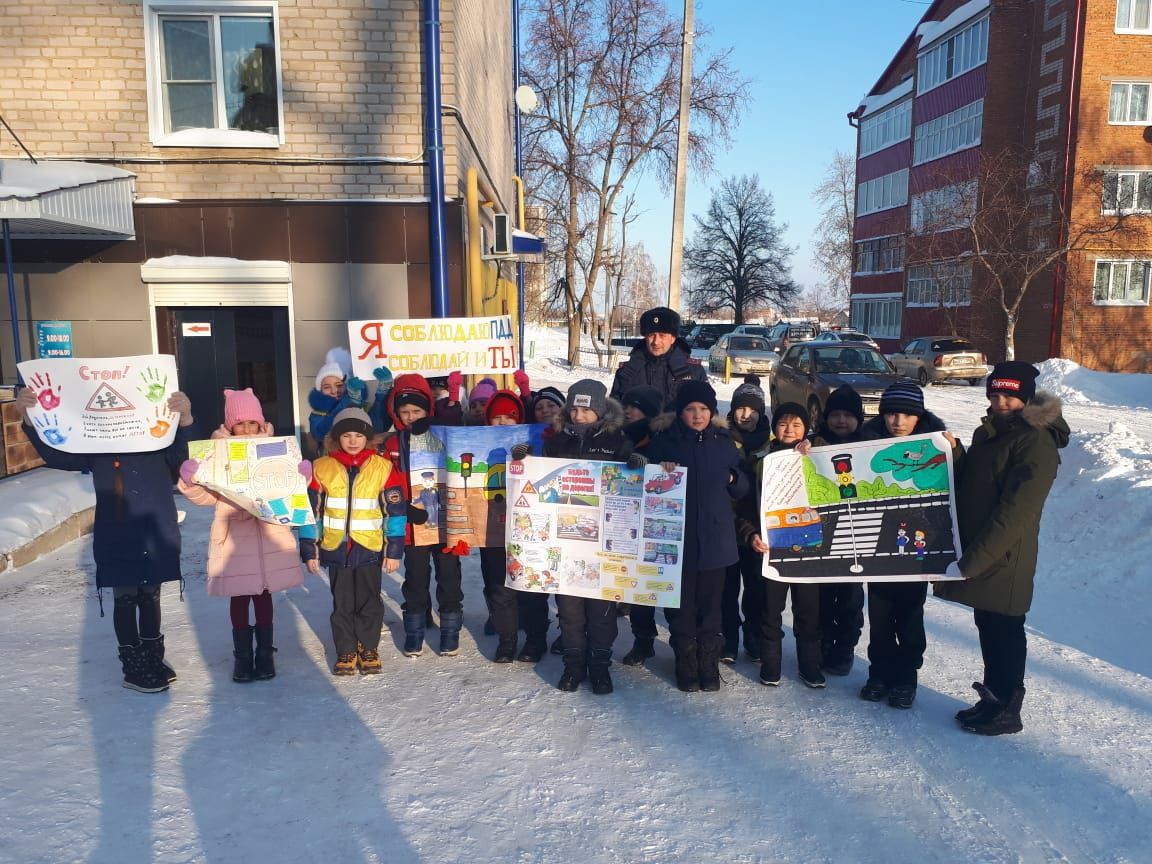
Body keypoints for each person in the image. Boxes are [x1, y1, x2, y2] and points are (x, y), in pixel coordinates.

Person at [16, 384, 197, 693]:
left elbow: (184, 459)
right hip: (118, 531)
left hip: (156, 527)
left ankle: (152, 656)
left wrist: (185, 418)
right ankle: (133, 666)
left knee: (150, 594)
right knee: (126, 596)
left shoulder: (157, 436)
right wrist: (31, 419)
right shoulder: (96, 444)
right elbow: (58, 454)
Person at [935, 362, 1069, 735]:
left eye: (1009, 395)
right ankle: (993, 699)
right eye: (995, 395)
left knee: (1006, 629)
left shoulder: (1035, 441)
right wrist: (957, 452)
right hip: (985, 551)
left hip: (1004, 556)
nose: (1001, 402)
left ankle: (1008, 708)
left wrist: (974, 561)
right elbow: (975, 483)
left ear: (1026, 397)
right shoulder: (992, 433)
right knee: (989, 625)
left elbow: (1016, 513)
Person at [514, 379, 640, 694]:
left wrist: (639, 468)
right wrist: (525, 462)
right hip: (567, 543)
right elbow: (541, 484)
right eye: (575, 409)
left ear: (599, 410)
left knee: (602, 613)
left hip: (605, 544)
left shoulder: (617, 441)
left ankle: (600, 666)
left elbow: (634, 486)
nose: (579, 415)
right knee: (569, 611)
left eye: (586, 410)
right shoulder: (556, 442)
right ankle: (573, 666)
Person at [178, 388, 308, 682]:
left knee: (263, 596)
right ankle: (242, 657)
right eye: (240, 424)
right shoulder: (215, 451)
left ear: (262, 424)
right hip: (234, 537)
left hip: (269, 534)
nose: (247, 430)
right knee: (239, 598)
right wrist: (190, 481)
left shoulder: (278, 449)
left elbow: (290, 490)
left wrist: (301, 476)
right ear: (229, 425)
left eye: (253, 423)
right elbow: (205, 496)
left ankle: (264, 654)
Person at [858, 381, 959, 709]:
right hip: (879, 546)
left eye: (906, 415)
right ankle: (879, 673)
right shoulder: (867, 441)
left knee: (910, 617)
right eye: (891, 414)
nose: (897, 421)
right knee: (881, 616)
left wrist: (954, 451)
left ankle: (906, 677)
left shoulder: (936, 444)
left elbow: (962, 479)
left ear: (919, 417)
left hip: (918, 549)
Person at [644, 380, 749, 693]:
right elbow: (645, 480)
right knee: (681, 609)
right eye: (690, 409)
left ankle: (708, 663)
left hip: (716, 541)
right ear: (680, 412)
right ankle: (686, 663)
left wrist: (734, 477)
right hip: (676, 541)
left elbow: (742, 487)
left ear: (713, 412)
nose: (697, 414)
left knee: (712, 608)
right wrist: (658, 468)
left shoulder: (725, 443)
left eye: (703, 409)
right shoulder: (665, 443)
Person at [302, 407, 408, 675]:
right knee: (342, 604)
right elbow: (308, 513)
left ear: (368, 439)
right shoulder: (321, 467)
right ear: (336, 438)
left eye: (358, 435)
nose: (352, 440)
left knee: (370, 602)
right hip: (336, 549)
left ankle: (369, 647)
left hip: (369, 548)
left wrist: (394, 550)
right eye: (346, 435)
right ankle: (346, 649)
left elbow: (395, 513)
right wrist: (309, 550)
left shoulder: (383, 468)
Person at [381, 373, 467, 657]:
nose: (409, 417)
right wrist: (403, 507)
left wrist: (454, 399)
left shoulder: (441, 435)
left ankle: (450, 628)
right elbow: (387, 479)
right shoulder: (392, 444)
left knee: (449, 576)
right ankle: (415, 629)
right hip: (412, 522)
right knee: (416, 578)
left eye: (416, 411)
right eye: (404, 412)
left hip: (444, 521)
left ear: (427, 410)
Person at [740, 402, 825, 689]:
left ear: (806, 429)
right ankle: (770, 663)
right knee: (769, 609)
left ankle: (810, 665)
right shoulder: (760, 458)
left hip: (808, 549)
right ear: (775, 427)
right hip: (770, 549)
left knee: (809, 611)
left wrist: (814, 449)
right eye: (783, 424)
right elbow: (745, 505)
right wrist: (751, 533)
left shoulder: (816, 453)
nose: (789, 430)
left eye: (796, 425)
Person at [808, 385, 868, 676]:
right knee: (819, 599)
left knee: (849, 600)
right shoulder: (813, 444)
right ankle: (818, 645)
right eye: (835, 414)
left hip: (855, 537)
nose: (841, 421)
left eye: (848, 415)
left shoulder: (870, 445)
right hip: (819, 535)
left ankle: (843, 649)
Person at [720, 376, 773, 664]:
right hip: (728, 526)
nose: (745, 414)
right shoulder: (721, 439)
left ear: (761, 412)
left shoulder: (773, 441)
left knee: (757, 591)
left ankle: (754, 639)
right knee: (726, 591)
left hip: (761, 532)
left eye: (752, 409)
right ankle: (727, 640)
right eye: (740, 408)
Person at [617, 383, 669, 667]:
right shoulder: (618, 437)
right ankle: (643, 640)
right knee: (636, 588)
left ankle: (681, 642)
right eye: (626, 406)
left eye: (634, 407)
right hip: (624, 523)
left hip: (658, 523)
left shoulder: (662, 438)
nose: (628, 411)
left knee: (659, 584)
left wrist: (650, 465)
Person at [478, 388, 530, 663]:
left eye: (508, 417)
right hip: (493, 526)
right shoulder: (481, 444)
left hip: (529, 526)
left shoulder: (534, 440)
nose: (501, 422)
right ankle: (507, 639)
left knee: (528, 583)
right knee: (499, 583)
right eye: (495, 417)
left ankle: (534, 635)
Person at [609, 306, 707, 410]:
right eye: (651, 335)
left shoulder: (693, 371)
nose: (656, 341)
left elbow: (709, 413)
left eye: (662, 335)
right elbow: (614, 414)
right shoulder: (627, 372)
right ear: (645, 337)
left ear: (673, 338)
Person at [307, 347, 392, 455]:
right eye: (327, 387)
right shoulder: (318, 413)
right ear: (320, 390)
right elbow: (320, 433)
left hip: (365, 463)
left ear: (347, 386)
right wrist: (351, 402)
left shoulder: (364, 407)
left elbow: (379, 427)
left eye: (339, 385)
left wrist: (383, 393)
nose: (334, 391)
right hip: (333, 465)